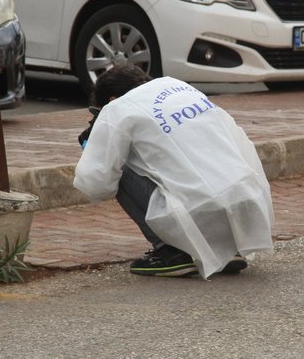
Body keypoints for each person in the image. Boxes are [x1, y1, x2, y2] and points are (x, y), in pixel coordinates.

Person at [73, 65, 274, 278]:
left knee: (117, 165)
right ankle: (226, 248)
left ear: (112, 100)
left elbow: (95, 183)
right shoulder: (179, 87)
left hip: (198, 208)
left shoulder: (118, 108)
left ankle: (173, 251)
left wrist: (96, 145)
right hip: (246, 200)